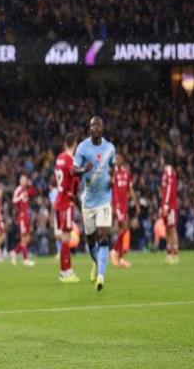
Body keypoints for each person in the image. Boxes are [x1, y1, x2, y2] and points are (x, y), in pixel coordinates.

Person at [74, 116, 115, 291]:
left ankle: (101, 277)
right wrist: (84, 169)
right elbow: (73, 170)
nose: (96, 128)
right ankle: (97, 263)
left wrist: (112, 179)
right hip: (88, 202)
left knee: (104, 237)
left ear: (103, 128)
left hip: (104, 199)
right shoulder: (82, 148)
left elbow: (113, 166)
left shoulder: (110, 148)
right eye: (93, 125)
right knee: (91, 240)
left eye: (99, 125)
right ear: (90, 128)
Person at [54, 133, 80, 282]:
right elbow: (74, 173)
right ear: (75, 144)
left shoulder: (59, 157)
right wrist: (86, 169)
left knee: (65, 237)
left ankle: (67, 270)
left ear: (65, 143)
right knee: (66, 238)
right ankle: (65, 272)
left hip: (59, 200)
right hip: (66, 201)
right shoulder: (70, 160)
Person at [110, 154, 140, 268]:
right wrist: (113, 205)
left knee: (124, 229)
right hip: (118, 205)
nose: (116, 160)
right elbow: (112, 190)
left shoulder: (126, 173)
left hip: (125, 205)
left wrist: (136, 203)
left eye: (118, 158)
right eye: (115, 159)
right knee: (123, 227)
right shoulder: (113, 173)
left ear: (122, 160)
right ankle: (115, 252)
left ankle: (119, 256)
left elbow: (130, 189)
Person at [10, 175, 36, 266]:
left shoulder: (26, 189)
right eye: (23, 180)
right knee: (23, 238)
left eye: (26, 180)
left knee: (27, 239)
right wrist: (20, 197)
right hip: (21, 216)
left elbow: (33, 193)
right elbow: (13, 201)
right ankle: (25, 260)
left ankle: (14, 252)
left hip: (27, 216)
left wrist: (31, 185)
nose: (25, 181)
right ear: (20, 181)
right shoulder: (18, 190)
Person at [160, 154, 179, 264]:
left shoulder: (169, 172)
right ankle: (168, 253)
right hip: (166, 205)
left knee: (172, 228)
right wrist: (162, 205)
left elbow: (169, 189)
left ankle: (175, 254)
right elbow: (164, 191)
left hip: (170, 206)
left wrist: (166, 205)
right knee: (167, 228)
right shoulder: (165, 172)